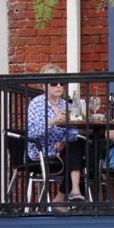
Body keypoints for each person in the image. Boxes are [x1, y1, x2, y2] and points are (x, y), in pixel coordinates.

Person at [26, 63, 85, 203]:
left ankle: (64, 195)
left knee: (85, 148)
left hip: (63, 149)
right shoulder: (37, 104)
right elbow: (32, 133)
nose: (59, 86)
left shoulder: (67, 105)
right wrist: (53, 121)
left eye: (62, 83)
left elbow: (73, 131)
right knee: (78, 153)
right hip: (43, 150)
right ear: (45, 85)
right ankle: (70, 193)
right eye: (54, 83)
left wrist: (64, 143)